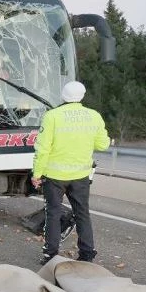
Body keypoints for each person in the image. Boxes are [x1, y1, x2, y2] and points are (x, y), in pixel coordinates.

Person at [31, 81, 110, 265]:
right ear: (82, 96)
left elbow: (43, 149)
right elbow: (102, 144)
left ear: (63, 96)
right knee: (82, 213)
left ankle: (51, 255)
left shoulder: (52, 116)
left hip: (54, 176)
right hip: (81, 175)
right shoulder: (94, 116)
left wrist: (37, 174)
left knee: (53, 213)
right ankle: (87, 254)